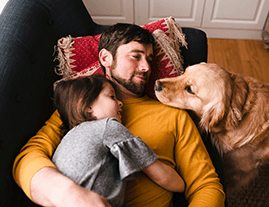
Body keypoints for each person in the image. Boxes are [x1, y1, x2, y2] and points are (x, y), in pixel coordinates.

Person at [13, 23, 225, 207]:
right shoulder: (81, 105)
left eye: (150, 59)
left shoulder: (172, 115)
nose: (146, 67)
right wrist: (68, 194)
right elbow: (28, 157)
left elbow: (206, 186)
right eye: (136, 56)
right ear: (106, 58)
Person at [52, 76, 185, 207]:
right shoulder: (108, 126)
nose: (121, 103)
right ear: (87, 106)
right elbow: (162, 176)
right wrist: (182, 185)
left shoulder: (65, 141)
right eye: (112, 97)